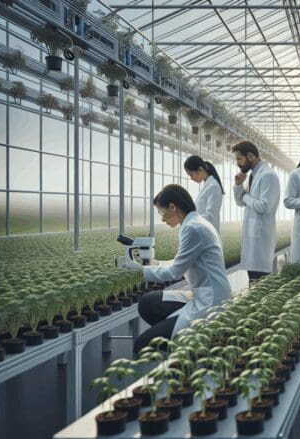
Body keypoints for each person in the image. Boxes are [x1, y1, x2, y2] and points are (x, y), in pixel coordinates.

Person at [119, 184, 230, 354]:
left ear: (173, 206)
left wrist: (140, 271)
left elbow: (175, 272)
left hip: (211, 301)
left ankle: (186, 346)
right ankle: (181, 338)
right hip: (203, 293)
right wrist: (156, 263)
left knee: (142, 345)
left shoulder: (193, 228)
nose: (162, 219)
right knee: (147, 303)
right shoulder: (195, 223)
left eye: (162, 212)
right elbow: (184, 261)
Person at [231, 141, 280, 282]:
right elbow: (241, 202)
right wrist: (238, 185)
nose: (238, 163)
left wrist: (246, 196)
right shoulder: (252, 176)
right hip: (252, 240)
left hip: (260, 241)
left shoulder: (268, 176)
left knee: (260, 286)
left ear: (250, 156)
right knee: (254, 283)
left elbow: (264, 207)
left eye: (239, 159)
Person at [184, 155, 224, 232]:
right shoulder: (208, 185)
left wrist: (191, 220)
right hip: (203, 230)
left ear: (200, 169)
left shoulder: (213, 186)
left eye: (191, 175)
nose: (191, 178)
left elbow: (211, 215)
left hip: (209, 232)